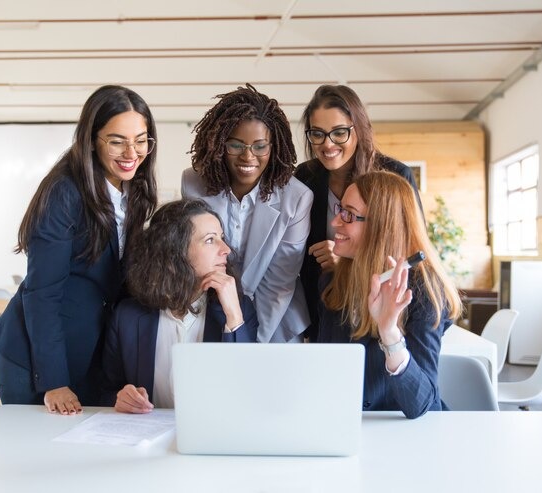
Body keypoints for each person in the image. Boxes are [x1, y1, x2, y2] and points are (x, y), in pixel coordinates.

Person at [0, 85, 158, 414]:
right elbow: (42, 293)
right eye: (117, 140)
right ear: (91, 140)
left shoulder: (133, 194)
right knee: (33, 455)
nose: (131, 152)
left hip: (88, 352)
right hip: (35, 358)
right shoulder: (64, 192)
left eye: (141, 140)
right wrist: (54, 381)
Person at [318, 170, 461, 419]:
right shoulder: (333, 280)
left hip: (404, 434)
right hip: (346, 426)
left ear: (381, 227)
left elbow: (422, 406)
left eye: (348, 214)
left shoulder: (423, 291)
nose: (335, 222)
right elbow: (327, 370)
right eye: (340, 209)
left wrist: (389, 333)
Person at [182, 84, 313, 343]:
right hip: (211, 308)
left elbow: (279, 283)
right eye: (236, 145)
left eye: (260, 146)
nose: (248, 156)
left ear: (273, 147)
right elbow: (194, 259)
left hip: (276, 321)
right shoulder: (193, 184)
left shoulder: (296, 198)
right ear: (221, 144)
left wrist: (247, 340)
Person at [101, 199, 258, 413]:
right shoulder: (127, 316)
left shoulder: (240, 311)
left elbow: (248, 395)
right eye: (211, 240)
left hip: (213, 439)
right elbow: (107, 390)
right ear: (174, 251)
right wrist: (120, 398)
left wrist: (234, 316)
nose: (226, 249)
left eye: (222, 238)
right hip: (148, 439)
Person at [295, 84, 423, 342]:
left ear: (359, 129)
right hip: (322, 310)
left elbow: (411, 252)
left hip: (376, 310)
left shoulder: (394, 175)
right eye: (317, 133)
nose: (327, 144)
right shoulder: (305, 177)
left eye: (339, 132)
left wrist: (345, 264)